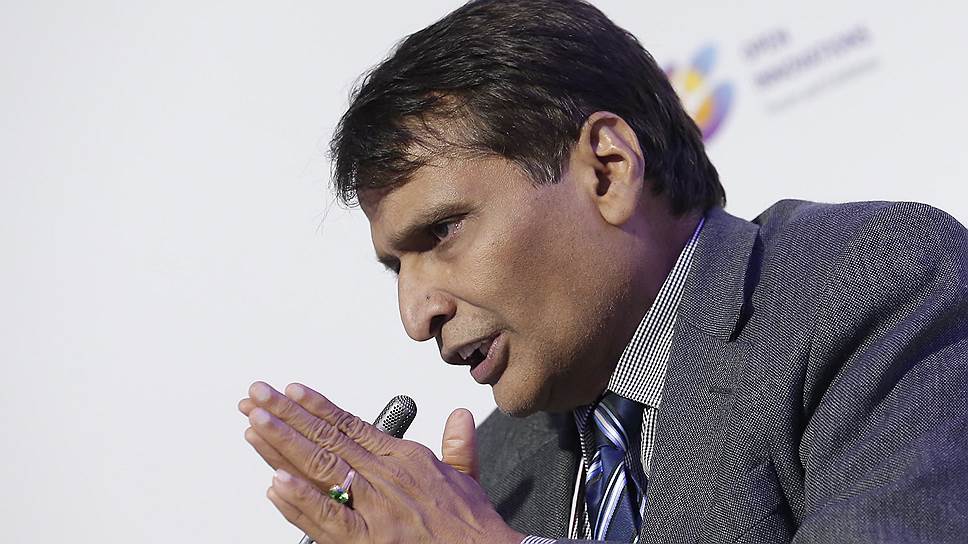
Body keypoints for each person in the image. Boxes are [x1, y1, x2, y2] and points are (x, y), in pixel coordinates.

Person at [238, 0, 968, 542]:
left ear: (607, 170)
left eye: (443, 230)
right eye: (394, 267)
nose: (415, 314)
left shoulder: (873, 282)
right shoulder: (499, 468)